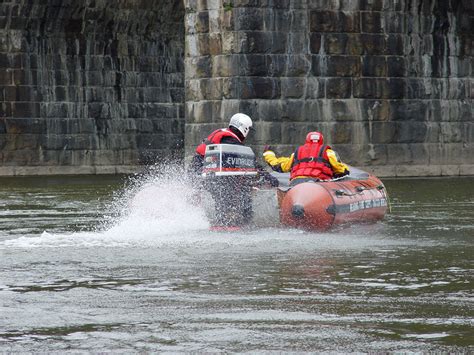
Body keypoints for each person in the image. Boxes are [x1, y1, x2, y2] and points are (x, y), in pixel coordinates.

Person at [263, 131, 349, 186]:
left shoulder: (297, 153)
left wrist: (268, 153)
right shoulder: (328, 152)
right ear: (322, 141)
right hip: (318, 183)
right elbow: (340, 170)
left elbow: (279, 165)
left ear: (307, 140)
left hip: (296, 183)